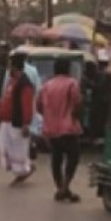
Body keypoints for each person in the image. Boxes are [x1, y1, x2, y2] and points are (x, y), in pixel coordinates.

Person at [37, 57, 83, 202]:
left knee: (56, 159)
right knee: (73, 157)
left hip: (51, 128)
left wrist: (49, 116)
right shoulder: (71, 83)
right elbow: (77, 102)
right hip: (68, 128)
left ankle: (61, 188)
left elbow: (39, 106)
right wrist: (74, 116)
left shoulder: (46, 85)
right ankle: (65, 186)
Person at [0, 56, 36, 185]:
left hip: (17, 123)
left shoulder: (25, 84)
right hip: (6, 121)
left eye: (10, 66)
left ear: (14, 67)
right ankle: (22, 169)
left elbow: (27, 104)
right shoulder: (12, 81)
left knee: (18, 150)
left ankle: (25, 170)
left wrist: (26, 123)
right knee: (6, 148)